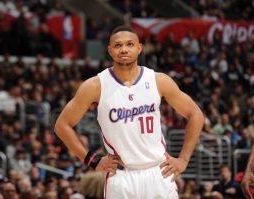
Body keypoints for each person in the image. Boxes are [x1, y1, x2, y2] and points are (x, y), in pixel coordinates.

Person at [54, 25, 204, 199]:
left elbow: (196, 114)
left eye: (129, 44)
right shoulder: (95, 86)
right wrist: (92, 160)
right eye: (118, 45)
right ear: (110, 51)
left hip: (158, 172)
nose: (124, 49)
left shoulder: (159, 81)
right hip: (121, 176)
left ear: (139, 48)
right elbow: (62, 125)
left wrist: (184, 159)